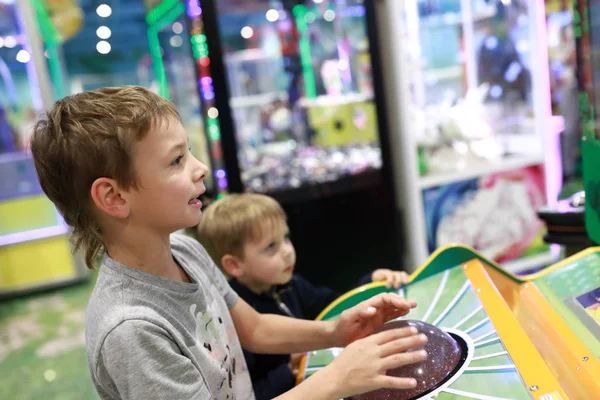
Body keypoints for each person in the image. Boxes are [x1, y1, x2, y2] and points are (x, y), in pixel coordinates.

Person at [29, 86, 427, 400]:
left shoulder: (185, 250)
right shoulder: (132, 330)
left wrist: (334, 332)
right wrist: (336, 380)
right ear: (114, 198)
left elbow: (252, 329)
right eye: (176, 160)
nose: (200, 168)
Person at [196, 193, 410, 399]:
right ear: (234, 265)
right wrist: (288, 369)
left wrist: (370, 282)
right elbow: (255, 391)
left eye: (285, 238)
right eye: (271, 246)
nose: (288, 250)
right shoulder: (236, 321)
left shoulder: (290, 284)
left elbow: (332, 305)